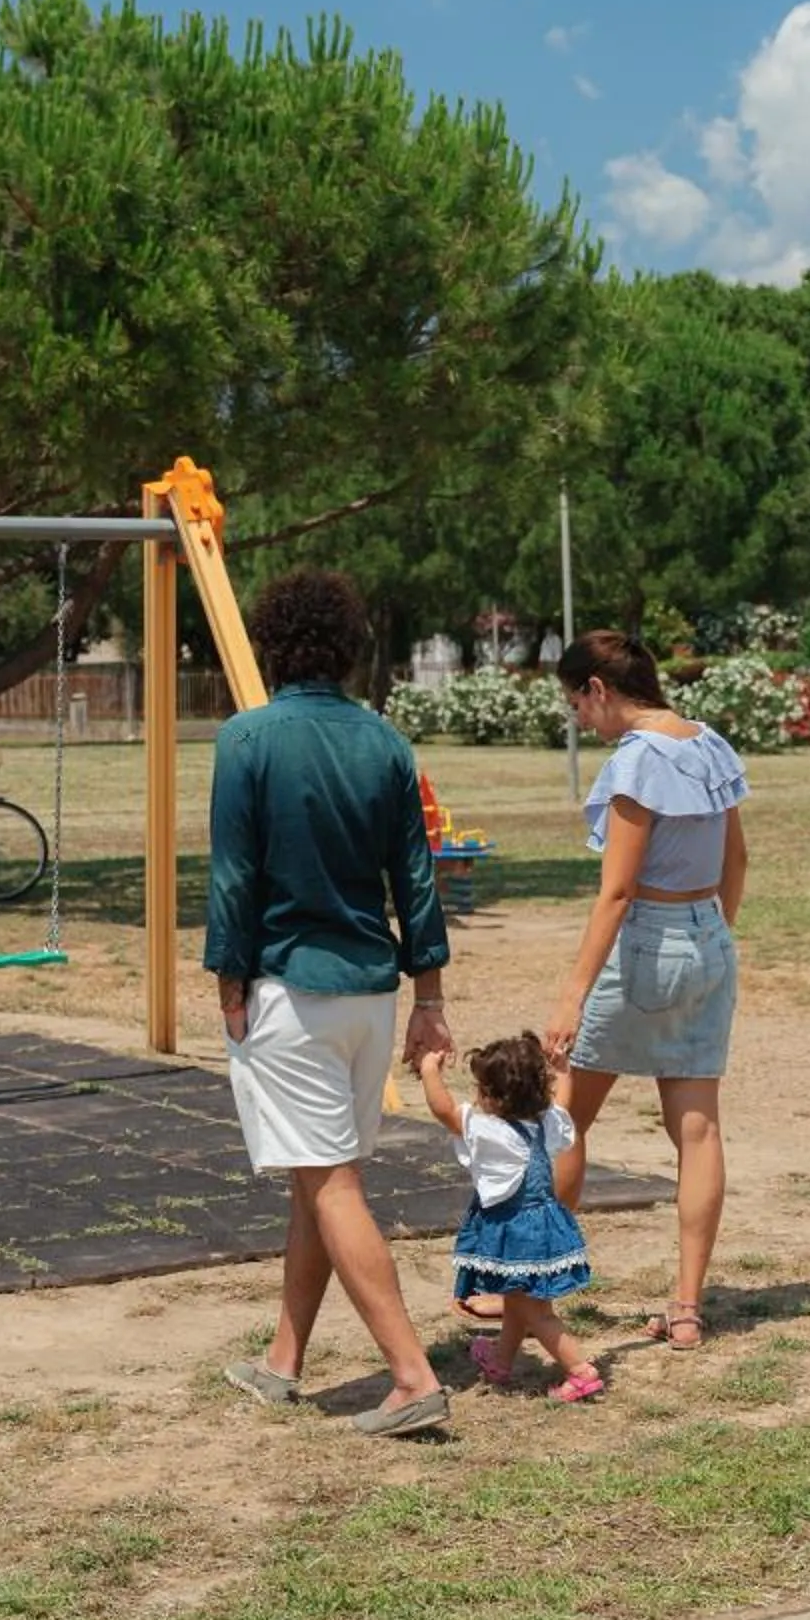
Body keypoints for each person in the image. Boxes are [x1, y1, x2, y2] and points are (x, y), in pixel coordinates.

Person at [206, 569, 455, 1439]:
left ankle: (411, 1375)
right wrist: (429, 995)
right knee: (318, 1178)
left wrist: (227, 980)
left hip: (290, 992)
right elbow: (415, 877)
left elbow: (234, 874)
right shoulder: (386, 742)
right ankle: (283, 1361)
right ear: (349, 646)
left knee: (330, 1180)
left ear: (272, 644)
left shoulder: (248, 738)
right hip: (370, 997)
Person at [539, 630, 747, 1352]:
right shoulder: (709, 741)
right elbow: (736, 858)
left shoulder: (638, 761)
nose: (581, 722)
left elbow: (618, 891)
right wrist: (711, 935)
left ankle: (537, 1289)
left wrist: (570, 997)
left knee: (564, 1118)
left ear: (599, 688)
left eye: (576, 704)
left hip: (648, 943)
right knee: (698, 1131)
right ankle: (687, 1307)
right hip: (709, 938)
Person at [416, 1032, 604, 1402]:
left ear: (492, 1095)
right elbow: (564, 1106)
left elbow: (443, 1110)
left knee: (537, 1312)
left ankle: (581, 1372)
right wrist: (564, 1071)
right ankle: (501, 1361)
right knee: (518, 1298)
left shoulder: (488, 1131)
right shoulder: (545, 1124)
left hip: (516, 1234)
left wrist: (428, 1070)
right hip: (545, 1227)